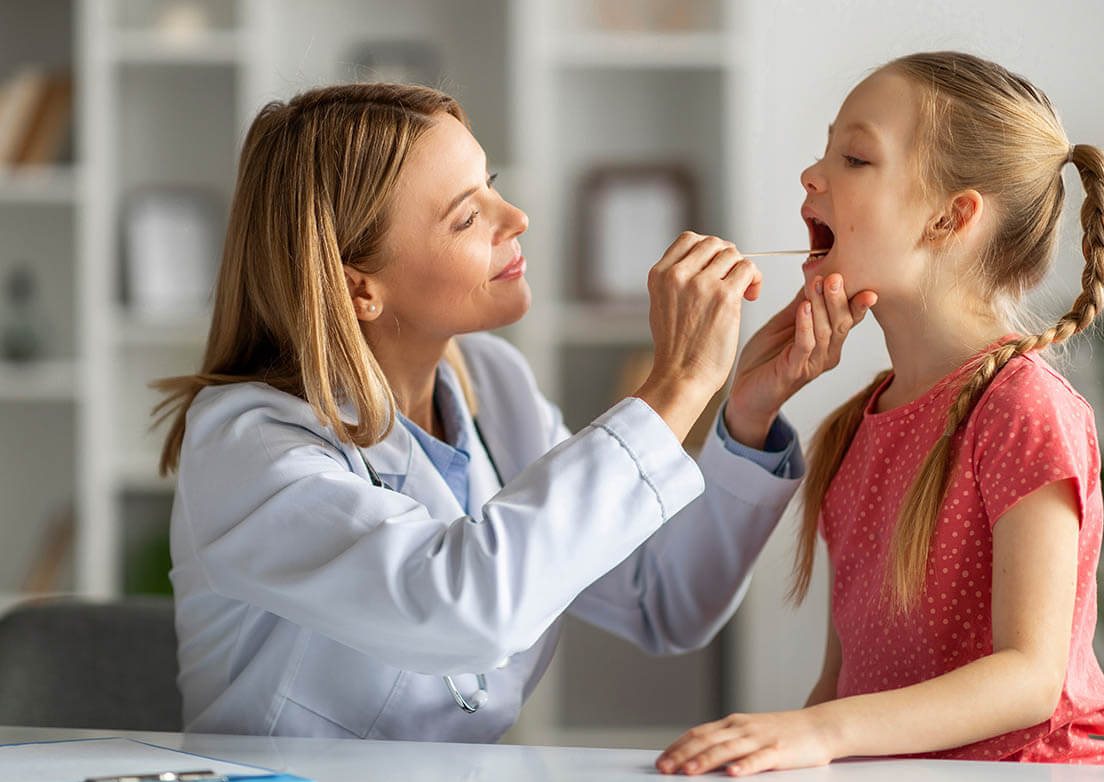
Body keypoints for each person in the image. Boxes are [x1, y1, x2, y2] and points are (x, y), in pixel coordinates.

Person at [152, 82, 877, 742]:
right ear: (361, 288)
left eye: (490, 184)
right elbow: (466, 608)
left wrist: (745, 413)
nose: (517, 217)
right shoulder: (247, 448)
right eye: (469, 216)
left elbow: (664, 600)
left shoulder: (490, 385)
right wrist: (677, 386)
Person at [656, 51, 1104, 776]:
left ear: (949, 217)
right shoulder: (852, 425)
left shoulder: (1023, 409)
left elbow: (1032, 678)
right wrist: (792, 748)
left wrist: (820, 733)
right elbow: (843, 686)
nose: (812, 176)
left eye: (854, 157)